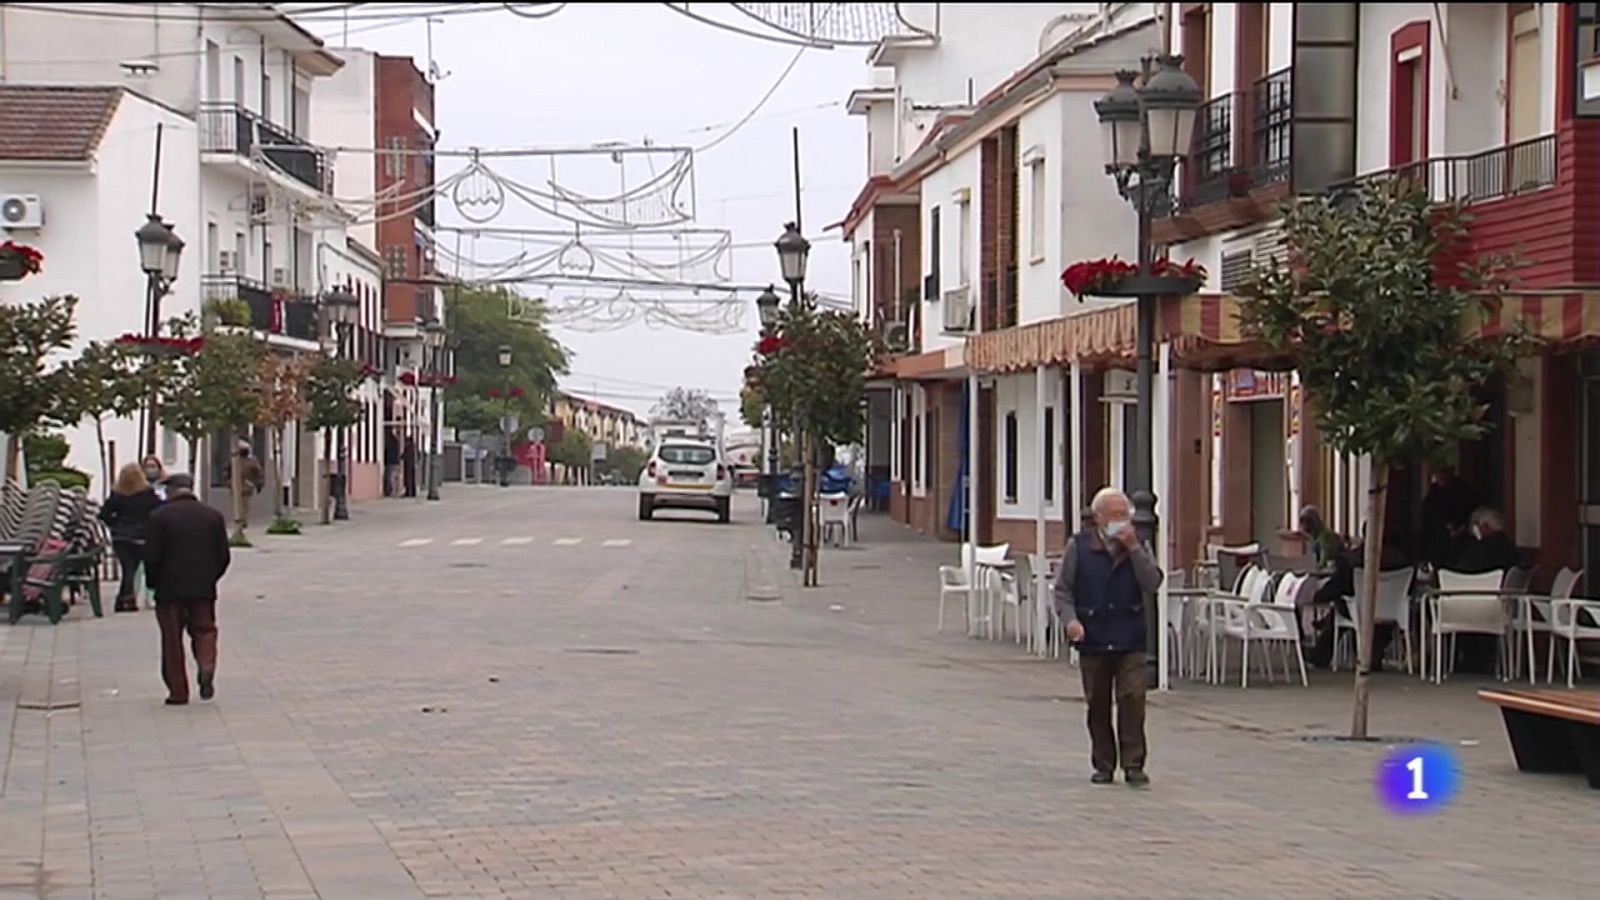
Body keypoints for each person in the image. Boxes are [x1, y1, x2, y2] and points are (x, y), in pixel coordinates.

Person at [1053, 486, 1163, 787]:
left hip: (1130, 635)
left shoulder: (1138, 544)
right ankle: (1103, 762)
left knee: (1132, 699)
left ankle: (1134, 763)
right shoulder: (1079, 547)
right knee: (1097, 703)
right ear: (1099, 518)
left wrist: (1134, 549)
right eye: (1114, 515)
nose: (1121, 521)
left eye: (1124, 515)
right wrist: (1071, 620)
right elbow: (1062, 590)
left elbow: (1152, 581)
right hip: (1094, 634)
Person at [144, 473, 231, 706]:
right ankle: (206, 664)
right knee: (204, 630)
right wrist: (211, 577)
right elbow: (223, 555)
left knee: (172, 641)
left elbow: (151, 557)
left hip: (169, 590)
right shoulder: (213, 516)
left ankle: (178, 692)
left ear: (171, 491)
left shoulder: (159, 517)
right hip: (203, 588)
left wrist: (153, 584)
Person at [1308, 528, 1411, 671]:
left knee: (1341, 604)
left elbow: (1337, 585)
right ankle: (1374, 652)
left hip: (1359, 610)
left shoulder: (1352, 559)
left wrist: (1317, 596)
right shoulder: (1403, 560)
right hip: (1392, 611)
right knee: (1369, 609)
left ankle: (1322, 652)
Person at [99, 463, 162, 613]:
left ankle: (125, 599)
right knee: (137, 568)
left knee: (128, 569)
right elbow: (159, 511)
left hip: (121, 537)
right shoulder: (147, 494)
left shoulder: (117, 494)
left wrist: (114, 525)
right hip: (141, 536)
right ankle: (127, 599)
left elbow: (103, 514)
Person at [1420, 466, 1476, 569]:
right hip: (1436, 546)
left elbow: (1470, 514)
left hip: (1461, 546)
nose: (1440, 476)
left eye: (1443, 472)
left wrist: (1461, 528)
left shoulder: (1464, 492)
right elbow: (1426, 526)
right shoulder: (1432, 497)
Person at [234, 441, 264, 529]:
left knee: (244, 504)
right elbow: (227, 471)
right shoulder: (235, 460)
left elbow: (258, 473)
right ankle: (239, 519)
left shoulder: (252, 461)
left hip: (247, 485)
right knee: (239, 503)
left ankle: (242, 520)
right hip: (237, 485)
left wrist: (258, 484)